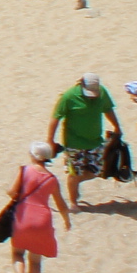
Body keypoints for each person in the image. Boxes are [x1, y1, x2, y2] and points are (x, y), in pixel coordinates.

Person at [3, 144, 67, 273]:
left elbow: (11, 192)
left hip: (23, 216)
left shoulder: (24, 170)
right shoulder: (52, 179)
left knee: (18, 253)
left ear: (33, 156)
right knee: (36, 261)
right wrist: (66, 220)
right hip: (42, 220)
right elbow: (60, 203)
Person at [48, 74, 120, 207]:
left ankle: (76, 181)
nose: (92, 96)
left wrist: (117, 127)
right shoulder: (69, 97)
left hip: (95, 141)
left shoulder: (102, 93)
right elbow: (55, 118)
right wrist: (50, 141)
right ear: (81, 85)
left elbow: (108, 109)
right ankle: (73, 202)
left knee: (96, 171)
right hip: (74, 143)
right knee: (74, 174)